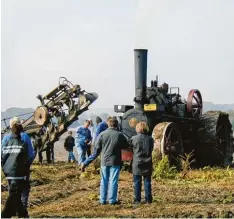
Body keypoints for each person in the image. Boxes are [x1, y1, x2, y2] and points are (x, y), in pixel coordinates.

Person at [81, 118, 129, 205]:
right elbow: (126, 146)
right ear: (117, 125)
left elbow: (96, 151)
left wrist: (85, 163)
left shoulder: (102, 134)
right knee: (113, 181)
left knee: (104, 180)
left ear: (108, 125)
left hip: (104, 161)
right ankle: (112, 200)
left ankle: (102, 200)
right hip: (115, 161)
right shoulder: (120, 135)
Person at [1, 117, 34, 218]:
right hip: (21, 171)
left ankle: (20, 212)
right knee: (24, 190)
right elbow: (31, 155)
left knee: (13, 191)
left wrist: (5, 168)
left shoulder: (6, 138)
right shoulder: (25, 137)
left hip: (9, 172)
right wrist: (27, 166)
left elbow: (2, 154)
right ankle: (18, 212)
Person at [131, 121, 154, 204]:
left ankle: (137, 200)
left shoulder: (133, 138)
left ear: (137, 129)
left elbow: (131, 149)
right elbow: (151, 149)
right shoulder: (150, 139)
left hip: (137, 162)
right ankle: (148, 200)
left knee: (137, 182)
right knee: (147, 181)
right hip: (147, 162)